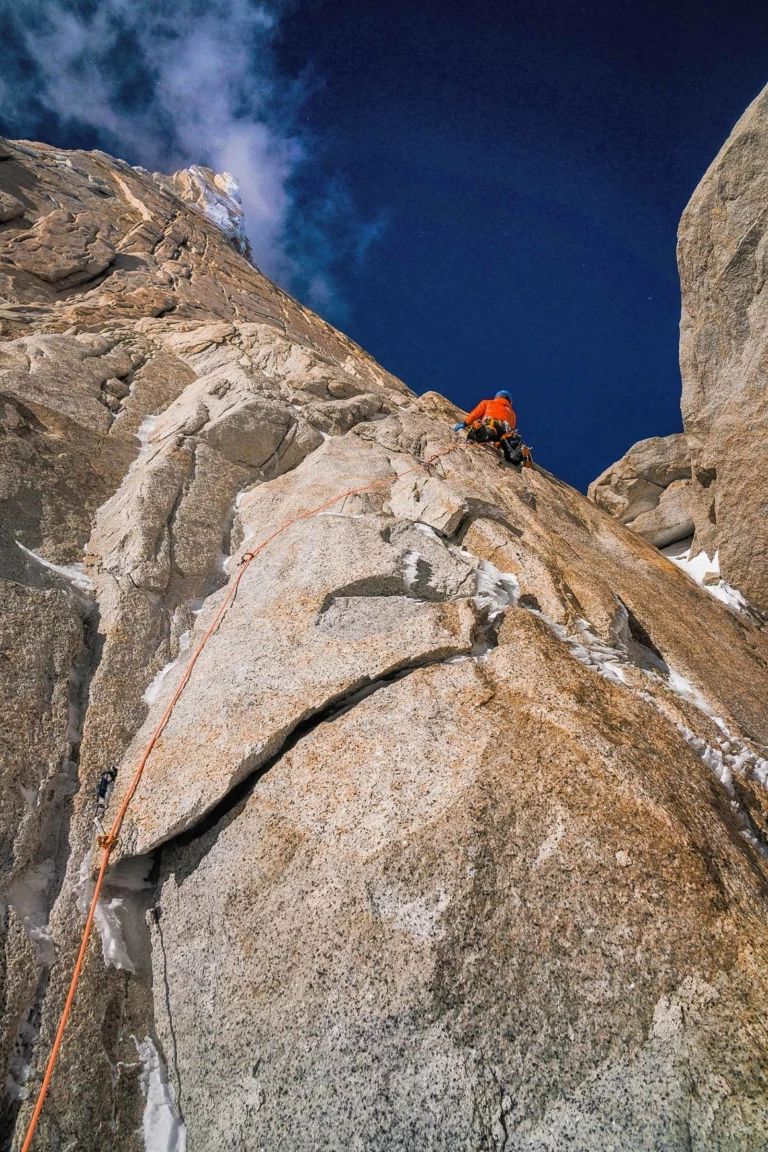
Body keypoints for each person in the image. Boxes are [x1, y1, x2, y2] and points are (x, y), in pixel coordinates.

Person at [453, 390, 530, 465]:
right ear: (509, 401)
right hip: (506, 432)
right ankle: (520, 453)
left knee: (484, 435)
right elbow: (512, 426)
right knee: (510, 453)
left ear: (497, 397)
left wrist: (465, 424)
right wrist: (497, 444)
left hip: (492, 425)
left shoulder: (488, 402)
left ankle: (478, 428)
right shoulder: (513, 413)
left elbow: (475, 414)